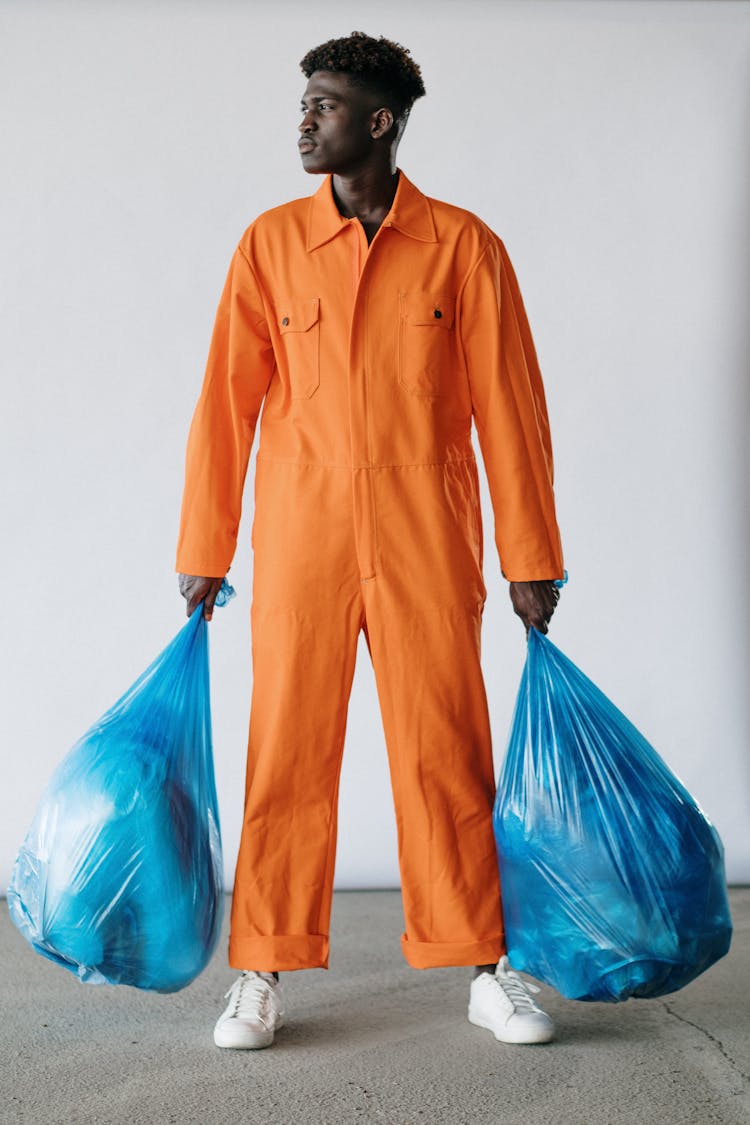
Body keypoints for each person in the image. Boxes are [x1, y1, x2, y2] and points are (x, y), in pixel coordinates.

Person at [176, 31, 564, 1051]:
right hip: (304, 533)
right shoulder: (269, 245)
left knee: (443, 745)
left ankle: (486, 964)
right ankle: (258, 968)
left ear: (381, 122)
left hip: (426, 530)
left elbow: (511, 412)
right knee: (287, 749)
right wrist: (204, 545)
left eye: (325, 104)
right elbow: (226, 408)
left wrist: (530, 555)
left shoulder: (462, 247)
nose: (304, 120)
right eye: (304, 103)